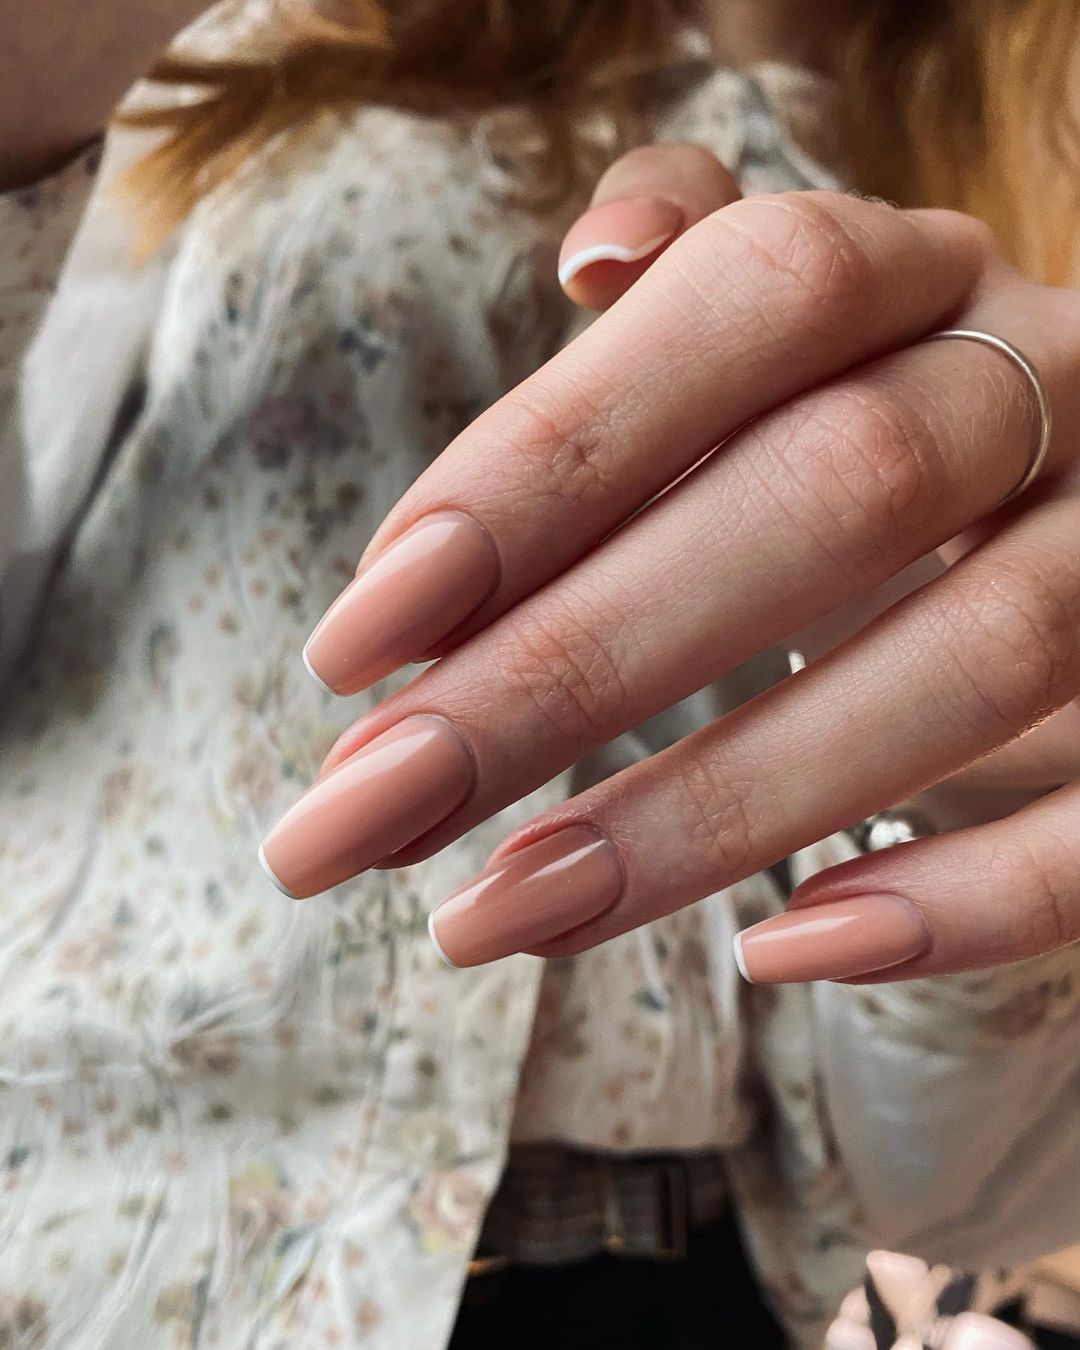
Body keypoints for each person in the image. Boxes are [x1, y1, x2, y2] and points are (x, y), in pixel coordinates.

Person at [1, 1, 1078, 1346]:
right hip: (96, 1220)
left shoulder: (1049, 193)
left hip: (681, 1271)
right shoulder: (246, 50)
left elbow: (960, 1197)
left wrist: (971, 791)